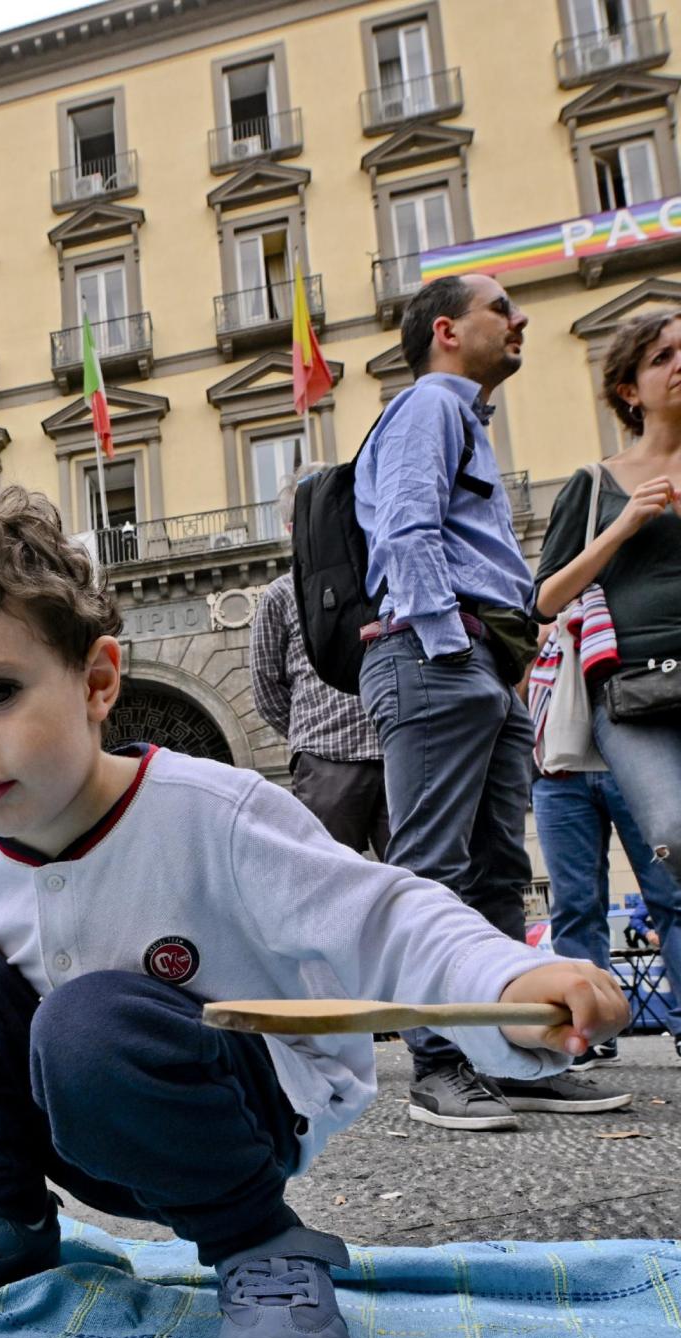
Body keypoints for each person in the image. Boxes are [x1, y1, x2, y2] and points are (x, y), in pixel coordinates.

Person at [0, 481, 626, 1338]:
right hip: (87, 1118)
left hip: (245, 1119)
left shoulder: (217, 811)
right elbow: (3, 971)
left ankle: (264, 1243)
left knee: (89, 1019)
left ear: (97, 682)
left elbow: (382, 913)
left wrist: (507, 974)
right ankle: (3, 1222)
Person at [354, 272, 629, 1129]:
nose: (520, 320)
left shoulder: (461, 419)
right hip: (442, 654)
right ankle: (439, 1067)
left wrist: (497, 665)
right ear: (446, 330)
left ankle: (512, 1055)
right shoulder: (431, 405)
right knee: (433, 869)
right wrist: (446, 641)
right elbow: (406, 527)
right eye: (500, 310)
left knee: (501, 871)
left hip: (483, 661)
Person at [532, 307, 681, 883]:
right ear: (629, 390)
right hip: (631, 690)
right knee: (670, 830)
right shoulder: (595, 483)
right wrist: (623, 527)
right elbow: (544, 600)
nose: (678, 364)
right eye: (661, 357)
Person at [250, 467, 388, 856]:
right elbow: (266, 688)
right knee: (329, 888)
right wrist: (310, 734)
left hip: (395, 750)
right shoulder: (280, 596)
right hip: (326, 762)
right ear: (293, 529)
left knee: (418, 881)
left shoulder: (379, 581)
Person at [532, 767, 681, 1063]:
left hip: (634, 754)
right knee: (574, 906)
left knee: (671, 897)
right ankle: (590, 1030)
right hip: (554, 765)